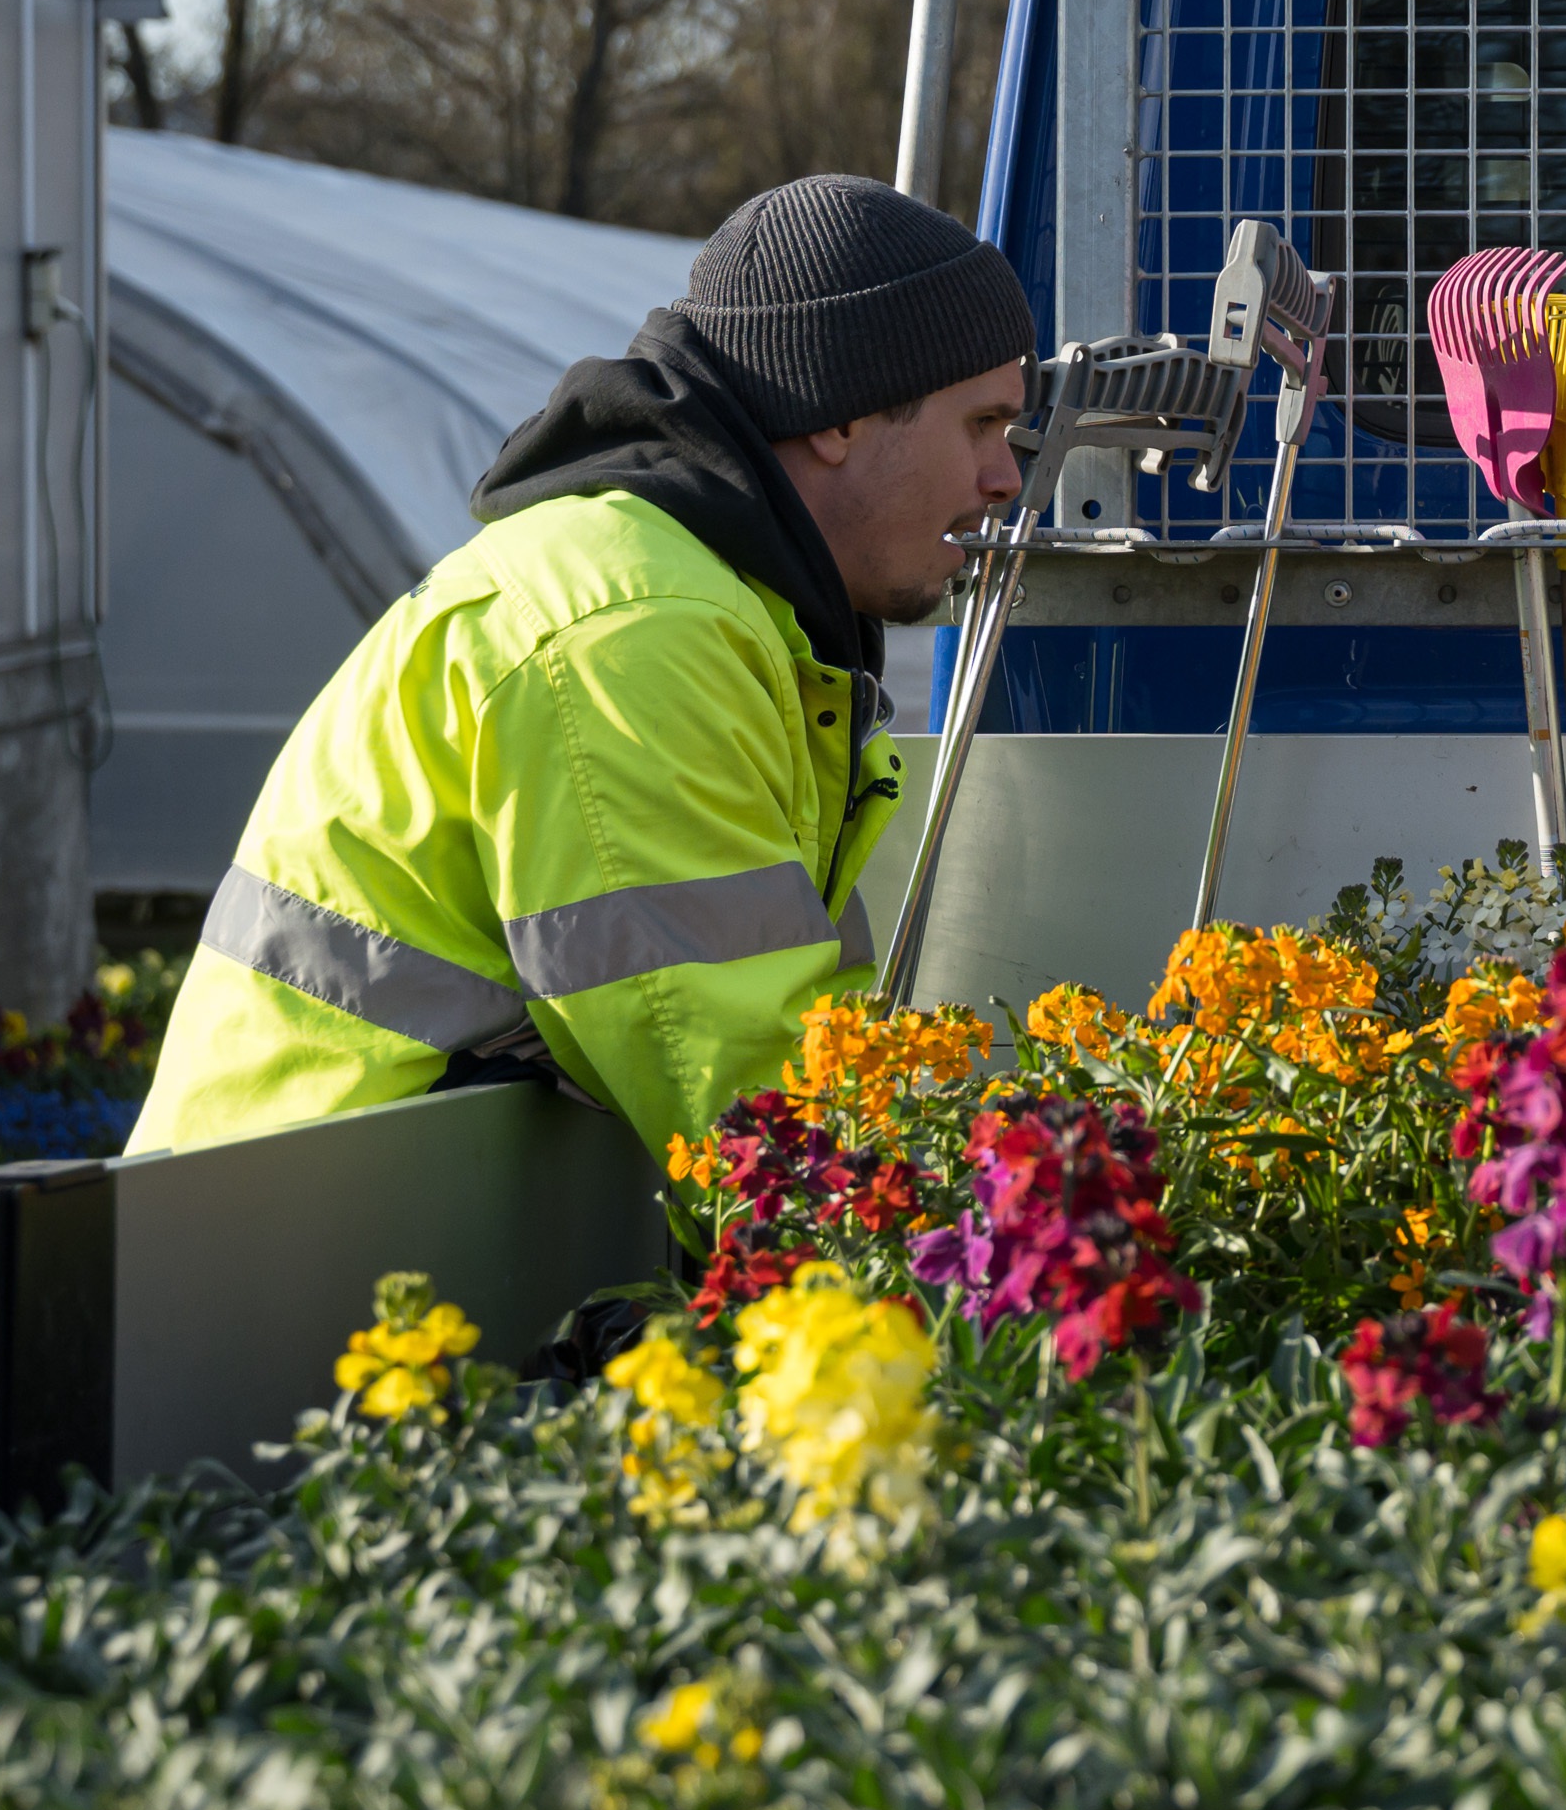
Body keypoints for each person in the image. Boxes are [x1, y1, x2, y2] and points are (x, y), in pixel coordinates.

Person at [132, 177, 1030, 1168]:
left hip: (360, 1230)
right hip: (296, 1270)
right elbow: (760, 1115)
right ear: (839, 414)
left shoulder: (710, 602)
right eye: (979, 426)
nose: (1005, 479)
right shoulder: (636, 633)